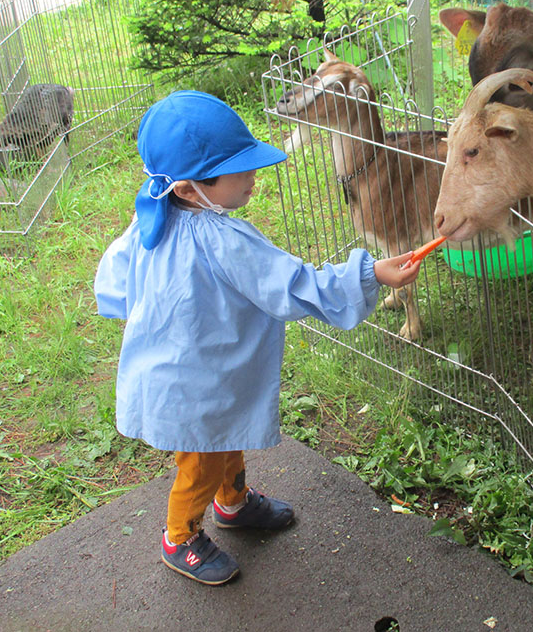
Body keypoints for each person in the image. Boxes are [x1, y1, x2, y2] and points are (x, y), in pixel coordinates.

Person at [94, 90, 421, 585]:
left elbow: (114, 281)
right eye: (240, 170)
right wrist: (370, 273)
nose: (253, 177)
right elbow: (293, 285)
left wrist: (134, 314)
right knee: (201, 461)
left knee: (226, 437)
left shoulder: (148, 223)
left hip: (197, 370)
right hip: (192, 383)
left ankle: (233, 503)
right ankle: (179, 538)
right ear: (187, 189)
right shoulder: (224, 240)